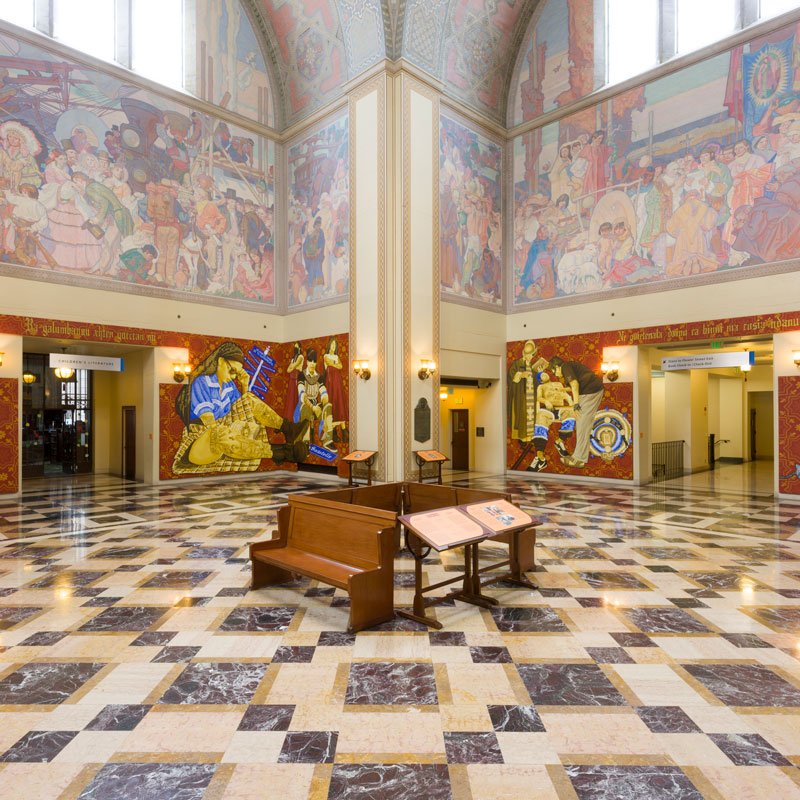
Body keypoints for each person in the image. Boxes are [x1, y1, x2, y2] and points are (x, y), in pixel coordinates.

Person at [173, 342, 308, 472]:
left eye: (235, 373)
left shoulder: (228, 385)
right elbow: (210, 424)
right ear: (220, 361)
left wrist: (244, 385)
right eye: (231, 370)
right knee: (219, 432)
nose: (232, 377)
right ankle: (280, 452)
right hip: (201, 443)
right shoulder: (201, 383)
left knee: (248, 398)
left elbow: (244, 408)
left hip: (224, 432)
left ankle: (288, 429)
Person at [548, 355, 605, 468]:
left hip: (590, 393)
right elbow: (574, 385)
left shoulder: (565, 366)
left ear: (557, 366)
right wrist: (562, 389)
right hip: (591, 392)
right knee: (582, 424)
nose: (555, 375)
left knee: (582, 425)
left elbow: (575, 384)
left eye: (553, 372)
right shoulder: (570, 368)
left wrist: (575, 404)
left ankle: (579, 459)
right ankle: (579, 457)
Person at [507, 340, 549, 448]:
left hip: (531, 397)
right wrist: (520, 375)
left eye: (531, 354)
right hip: (521, 397)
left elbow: (536, 382)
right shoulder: (517, 364)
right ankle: (522, 441)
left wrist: (539, 374)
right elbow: (511, 377)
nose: (529, 357)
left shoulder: (532, 366)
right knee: (522, 418)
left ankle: (529, 440)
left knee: (532, 417)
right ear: (523, 353)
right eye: (527, 354)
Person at [298, 348, 335, 450]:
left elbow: (323, 393)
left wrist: (324, 403)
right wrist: (313, 407)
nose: (312, 364)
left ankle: (328, 440)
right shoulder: (301, 375)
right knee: (305, 409)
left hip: (316, 405)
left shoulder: (319, 376)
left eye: (314, 361)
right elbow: (302, 395)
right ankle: (306, 442)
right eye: (310, 361)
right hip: (306, 405)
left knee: (328, 406)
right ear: (307, 361)